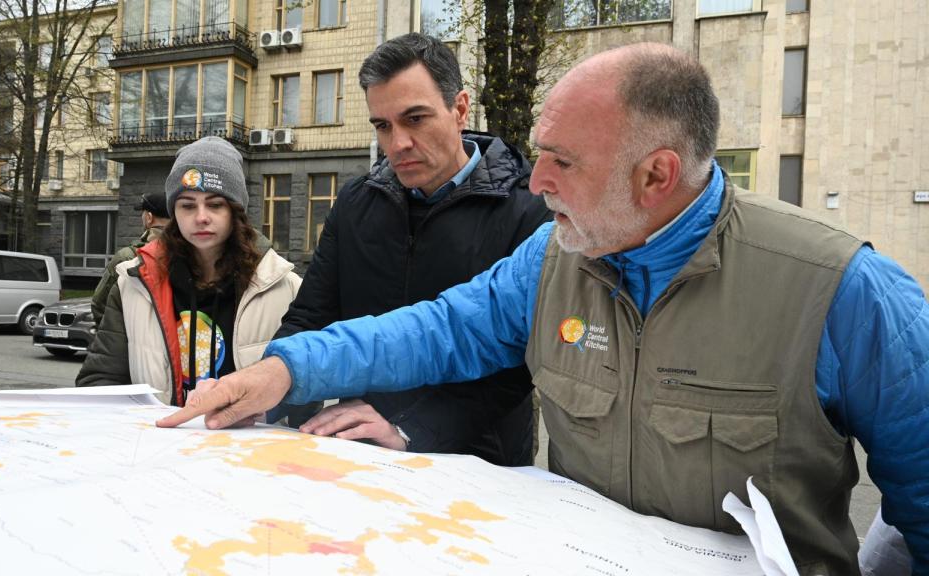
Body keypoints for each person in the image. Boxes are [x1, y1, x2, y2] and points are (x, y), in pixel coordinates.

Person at [158, 44, 929, 573]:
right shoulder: (556, 257)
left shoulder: (845, 293)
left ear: (656, 175)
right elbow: (440, 329)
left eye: (562, 162)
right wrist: (287, 369)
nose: (535, 183)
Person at [275, 33, 550, 464]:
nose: (397, 143)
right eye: (383, 126)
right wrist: (269, 391)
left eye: (415, 119)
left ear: (459, 109)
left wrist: (411, 430)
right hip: (362, 448)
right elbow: (312, 315)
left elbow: (520, 364)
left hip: (477, 463)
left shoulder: (526, 209)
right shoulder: (355, 202)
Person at [77, 136, 301, 406]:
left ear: (236, 211)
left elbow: (303, 392)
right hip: (162, 442)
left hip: (245, 444)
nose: (201, 216)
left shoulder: (284, 287)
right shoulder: (133, 284)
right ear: (174, 211)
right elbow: (100, 382)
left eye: (215, 204)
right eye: (188, 205)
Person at [90, 190, 171, 326]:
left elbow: (99, 305)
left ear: (149, 218)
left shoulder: (127, 257)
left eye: (143, 213)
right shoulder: (191, 253)